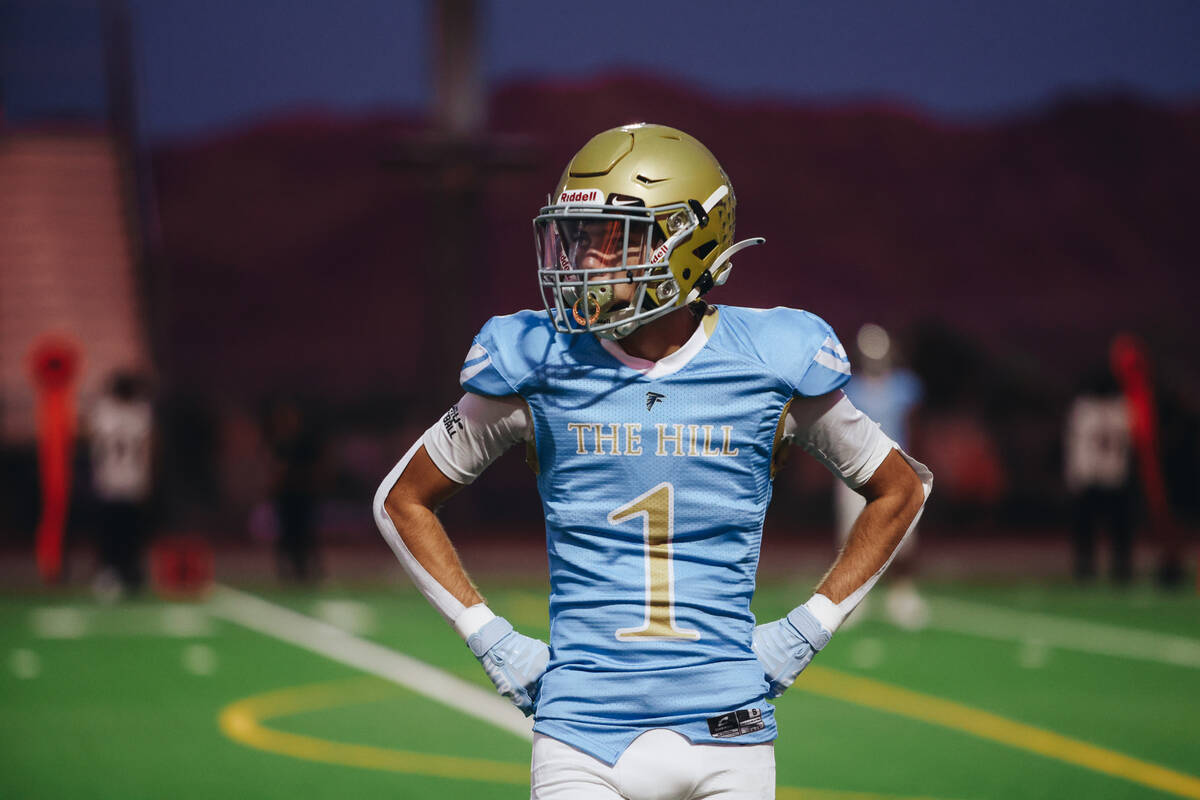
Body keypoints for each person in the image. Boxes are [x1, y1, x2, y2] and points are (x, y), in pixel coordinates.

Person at [374, 123, 932, 799]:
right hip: (579, 730)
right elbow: (402, 499)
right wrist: (491, 639)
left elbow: (899, 489)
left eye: (611, 240)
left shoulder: (769, 358)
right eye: (579, 239)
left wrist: (803, 632)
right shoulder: (539, 357)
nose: (582, 262)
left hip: (729, 729)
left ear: (687, 241)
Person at [832, 323, 928, 628]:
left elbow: (915, 427)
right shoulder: (851, 387)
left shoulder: (904, 385)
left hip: (897, 468)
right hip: (855, 469)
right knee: (853, 535)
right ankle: (851, 599)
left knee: (904, 534)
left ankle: (902, 594)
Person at [89, 370, 154, 598]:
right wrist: (147, 479)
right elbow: (147, 449)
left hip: (109, 480)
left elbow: (95, 445)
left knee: (111, 533)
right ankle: (130, 574)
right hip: (132, 480)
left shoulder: (103, 411)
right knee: (130, 533)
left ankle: (111, 574)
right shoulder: (140, 412)